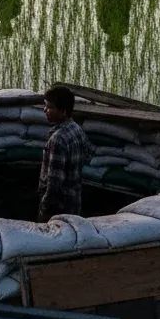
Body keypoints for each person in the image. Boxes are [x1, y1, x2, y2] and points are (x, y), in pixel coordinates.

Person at [38, 85, 92, 223]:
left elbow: (54, 184)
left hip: (58, 209)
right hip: (74, 201)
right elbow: (88, 156)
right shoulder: (76, 129)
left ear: (63, 111)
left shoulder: (58, 140)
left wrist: (44, 210)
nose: (45, 110)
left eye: (49, 107)